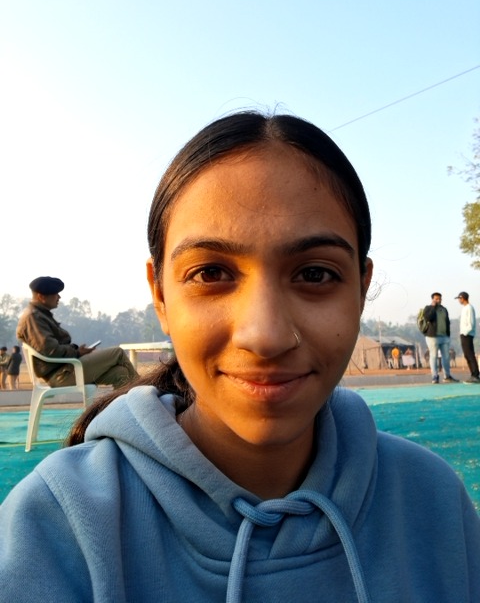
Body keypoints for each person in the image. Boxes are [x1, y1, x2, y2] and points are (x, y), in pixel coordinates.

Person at [1, 111, 479, 601]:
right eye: (210, 273)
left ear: (361, 288)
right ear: (160, 295)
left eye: (315, 274)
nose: (266, 337)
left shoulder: (434, 502)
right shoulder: (57, 525)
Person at [16, 276, 138, 389]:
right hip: (61, 375)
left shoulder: (40, 315)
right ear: (41, 296)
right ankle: (144, 392)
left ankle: (127, 404)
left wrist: (78, 351)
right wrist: (77, 352)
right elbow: (51, 350)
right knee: (117, 352)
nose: (59, 297)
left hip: (66, 369)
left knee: (121, 373)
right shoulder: (33, 318)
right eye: (55, 293)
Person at [423, 292, 458, 384]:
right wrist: (433, 307)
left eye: (440, 299)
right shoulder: (428, 308)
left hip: (444, 336)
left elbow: (447, 322)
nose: (438, 300)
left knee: (446, 356)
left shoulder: (444, 309)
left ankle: (447, 376)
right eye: (436, 299)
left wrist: (448, 334)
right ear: (432, 299)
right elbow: (428, 317)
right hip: (433, 337)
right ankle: (435, 376)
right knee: (433, 356)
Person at [456, 291, 480, 384]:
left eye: (459, 298)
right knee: (467, 355)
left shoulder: (469, 308)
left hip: (467, 334)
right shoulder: (465, 308)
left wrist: (465, 332)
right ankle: (473, 374)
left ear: (462, 298)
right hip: (464, 334)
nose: (459, 300)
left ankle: (475, 375)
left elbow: (471, 323)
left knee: (469, 354)